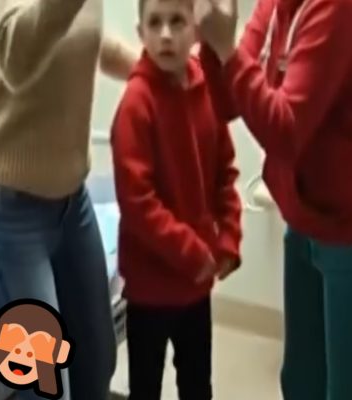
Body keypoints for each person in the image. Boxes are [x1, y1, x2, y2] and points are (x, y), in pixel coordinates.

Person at [195, 0, 352, 399]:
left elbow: (286, 131)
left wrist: (226, 48)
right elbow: (227, 103)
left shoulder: (337, 10)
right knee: (301, 382)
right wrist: (210, 41)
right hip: (306, 220)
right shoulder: (275, 6)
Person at [0, 1, 139, 399]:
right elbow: (15, 58)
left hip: (72, 204)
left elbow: (84, 36)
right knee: (44, 385)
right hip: (8, 210)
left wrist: (154, 71)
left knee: (97, 360)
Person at [111, 0, 242, 398]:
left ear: (196, 31)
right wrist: (192, 252)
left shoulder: (208, 91)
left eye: (177, 22)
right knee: (145, 388)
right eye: (155, 23)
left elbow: (225, 175)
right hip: (150, 289)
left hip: (196, 287)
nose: (166, 34)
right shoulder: (136, 103)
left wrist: (228, 238)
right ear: (141, 33)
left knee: (198, 385)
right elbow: (138, 202)